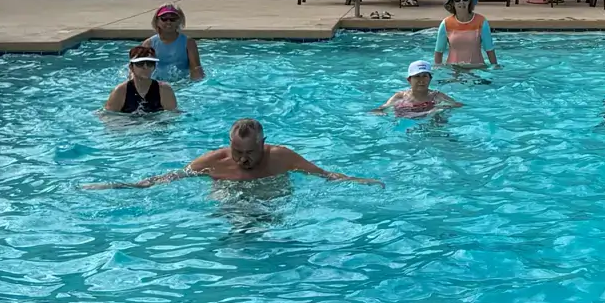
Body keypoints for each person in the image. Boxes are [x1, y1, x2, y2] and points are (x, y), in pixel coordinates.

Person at [86, 118, 383, 188]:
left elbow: (325, 175)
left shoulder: (281, 157)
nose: (242, 159)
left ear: (264, 143)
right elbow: (169, 177)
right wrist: (118, 185)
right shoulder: (214, 162)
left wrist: (361, 181)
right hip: (230, 197)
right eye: (236, 151)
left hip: (269, 198)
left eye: (250, 152)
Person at [434, 0, 498, 68]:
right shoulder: (446, 23)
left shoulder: (481, 21)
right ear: (452, 2)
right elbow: (439, 52)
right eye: (457, 0)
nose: (461, 2)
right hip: (453, 70)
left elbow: (489, 49)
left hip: (477, 69)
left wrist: (495, 67)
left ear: (469, 1)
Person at [104, 45, 178, 114]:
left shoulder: (165, 90)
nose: (145, 67)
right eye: (140, 63)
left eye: (150, 63)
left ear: (154, 67)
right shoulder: (120, 91)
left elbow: (172, 116)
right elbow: (109, 118)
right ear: (131, 67)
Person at [141, 4, 203, 82]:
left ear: (179, 21)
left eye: (173, 19)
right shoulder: (149, 44)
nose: (168, 22)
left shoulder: (189, 43)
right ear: (157, 21)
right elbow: (141, 69)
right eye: (164, 19)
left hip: (182, 82)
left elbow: (196, 68)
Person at [379, 60, 463, 115]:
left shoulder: (436, 96)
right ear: (409, 79)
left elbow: (458, 105)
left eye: (425, 76)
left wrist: (442, 108)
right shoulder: (400, 97)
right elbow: (380, 110)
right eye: (417, 76)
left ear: (430, 79)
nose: (421, 80)